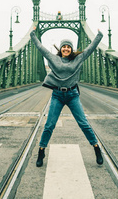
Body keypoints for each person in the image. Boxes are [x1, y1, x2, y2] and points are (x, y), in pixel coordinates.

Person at [30, 27, 104, 167]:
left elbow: (90, 49)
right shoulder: (53, 58)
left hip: (72, 95)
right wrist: (32, 34)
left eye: (68, 47)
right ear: (61, 49)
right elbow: (40, 48)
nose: (66, 49)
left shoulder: (78, 59)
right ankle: (41, 150)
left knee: (84, 124)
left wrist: (99, 35)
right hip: (57, 95)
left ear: (71, 49)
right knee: (49, 125)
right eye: (64, 46)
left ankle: (96, 148)